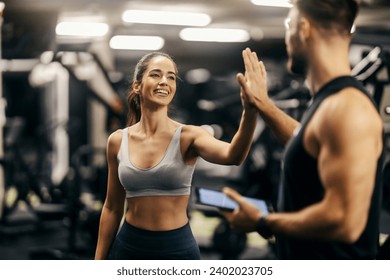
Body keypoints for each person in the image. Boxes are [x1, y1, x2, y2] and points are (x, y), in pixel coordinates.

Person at [223, 0, 384, 259]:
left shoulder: (348, 107)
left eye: (289, 25)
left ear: (304, 29)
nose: (287, 38)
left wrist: (263, 221)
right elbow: (306, 141)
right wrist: (264, 105)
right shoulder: (330, 104)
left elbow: (344, 221)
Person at [94, 51, 258, 260]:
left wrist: (250, 113)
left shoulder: (188, 136)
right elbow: (111, 207)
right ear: (137, 86)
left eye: (170, 77)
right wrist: (98, 263)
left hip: (177, 249)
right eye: (155, 74)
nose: (164, 81)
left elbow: (232, 156)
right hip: (128, 248)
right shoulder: (117, 141)